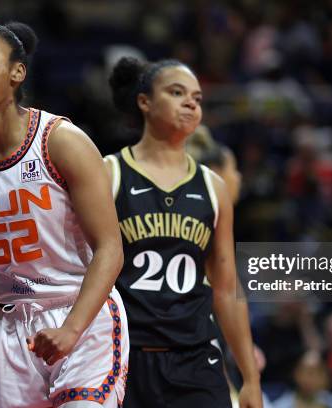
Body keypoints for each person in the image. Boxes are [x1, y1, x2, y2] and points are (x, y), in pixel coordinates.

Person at [0, 22, 128, 408]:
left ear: (16, 72)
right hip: (10, 327)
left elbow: (110, 249)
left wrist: (71, 331)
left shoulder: (60, 141)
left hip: (82, 313)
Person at [105, 57, 262, 408]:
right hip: (123, 354)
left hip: (195, 358)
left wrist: (250, 378)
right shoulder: (110, 173)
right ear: (144, 102)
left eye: (197, 97)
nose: (191, 102)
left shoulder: (214, 187)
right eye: (177, 93)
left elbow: (225, 286)